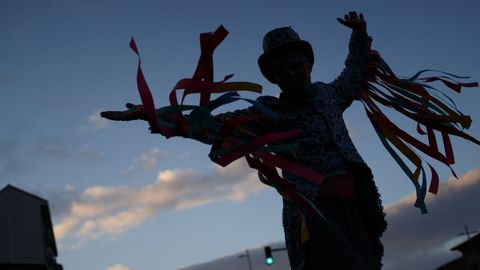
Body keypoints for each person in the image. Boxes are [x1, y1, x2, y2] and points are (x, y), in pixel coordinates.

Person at [102, 11, 386, 270]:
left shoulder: (331, 95)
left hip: (354, 202)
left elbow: (354, 70)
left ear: (309, 65)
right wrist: (157, 116)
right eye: (280, 71)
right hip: (314, 211)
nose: (290, 73)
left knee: (367, 262)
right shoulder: (270, 112)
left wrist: (358, 33)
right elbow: (216, 126)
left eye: (295, 65)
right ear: (274, 79)